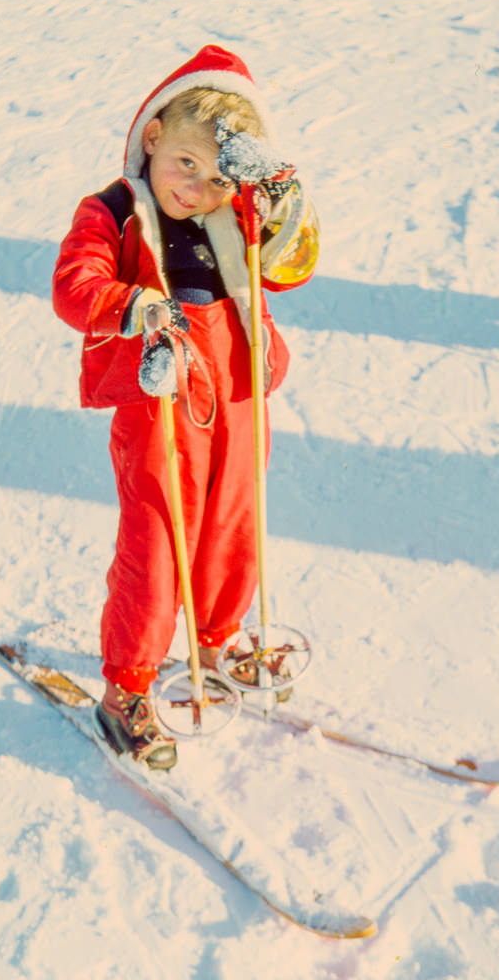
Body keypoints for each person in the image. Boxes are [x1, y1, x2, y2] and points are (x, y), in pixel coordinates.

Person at [52, 45, 320, 769]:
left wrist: (286, 212)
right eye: (185, 164)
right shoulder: (113, 209)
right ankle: (128, 685)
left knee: (235, 521)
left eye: (215, 174)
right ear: (152, 137)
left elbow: (292, 268)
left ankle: (219, 634)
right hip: (161, 396)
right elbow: (73, 288)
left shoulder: (238, 208)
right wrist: (132, 305)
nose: (197, 188)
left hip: (235, 386)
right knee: (159, 540)